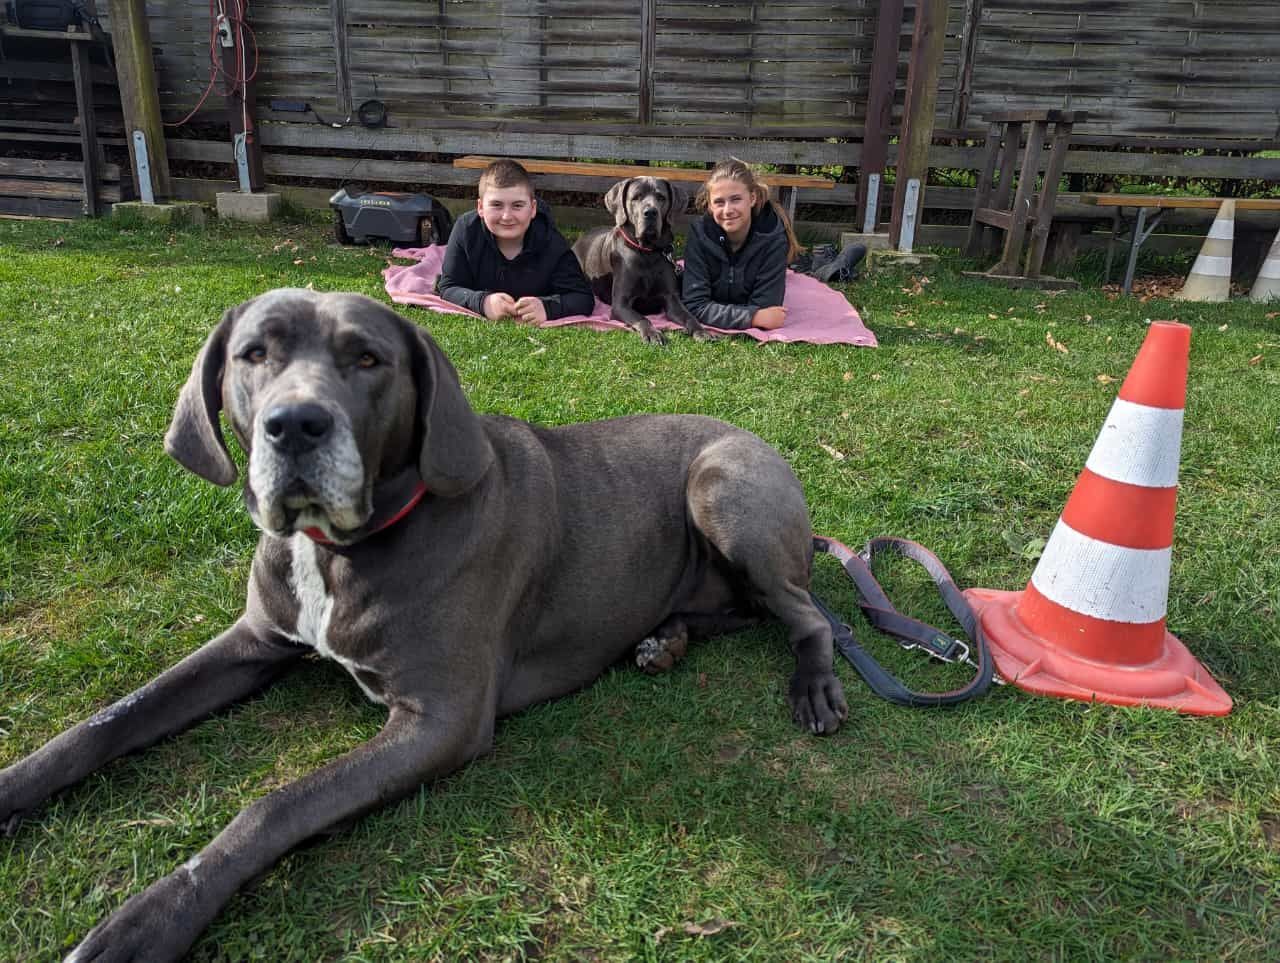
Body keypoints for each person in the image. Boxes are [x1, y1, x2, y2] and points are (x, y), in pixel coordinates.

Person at [681, 158, 866, 330]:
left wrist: (742, 312)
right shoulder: (699, 235)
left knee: (798, 269)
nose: (728, 210)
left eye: (736, 199)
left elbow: (768, 307)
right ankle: (821, 264)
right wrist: (752, 318)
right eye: (719, 202)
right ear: (710, 206)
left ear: (752, 198)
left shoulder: (773, 237)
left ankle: (824, 263)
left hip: (770, 260)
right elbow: (695, 305)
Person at [438, 159, 595, 324]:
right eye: (496, 205)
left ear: (533, 208)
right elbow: (448, 286)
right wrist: (483, 302)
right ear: (480, 208)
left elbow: (582, 297)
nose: (507, 216)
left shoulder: (550, 241)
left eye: (517, 206)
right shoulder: (466, 231)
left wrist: (547, 308)